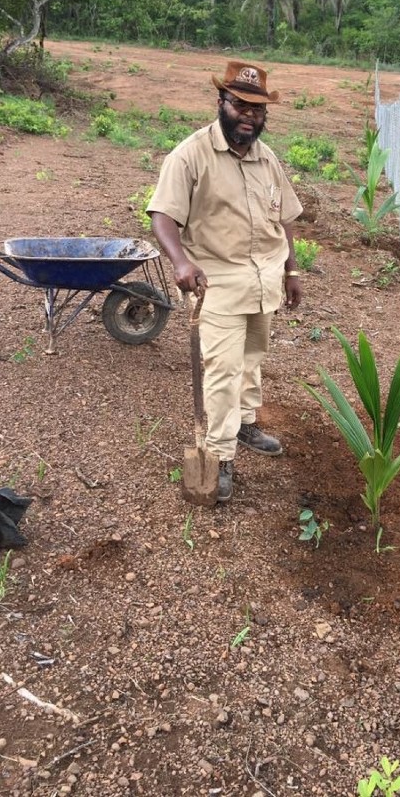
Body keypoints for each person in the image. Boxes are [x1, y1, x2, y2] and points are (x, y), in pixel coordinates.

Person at [147, 60, 303, 503]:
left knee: (253, 355)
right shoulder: (191, 155)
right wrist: (180, 261)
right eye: (240, 104)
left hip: (264, 279)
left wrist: (291, 270)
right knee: (222, 369)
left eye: (257, 108)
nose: (249, 115)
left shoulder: (265, 157)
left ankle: (247, 422)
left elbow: (284, 216)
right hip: (214, 283)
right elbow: (162, 214)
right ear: (221, 102)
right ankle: (219, 454)